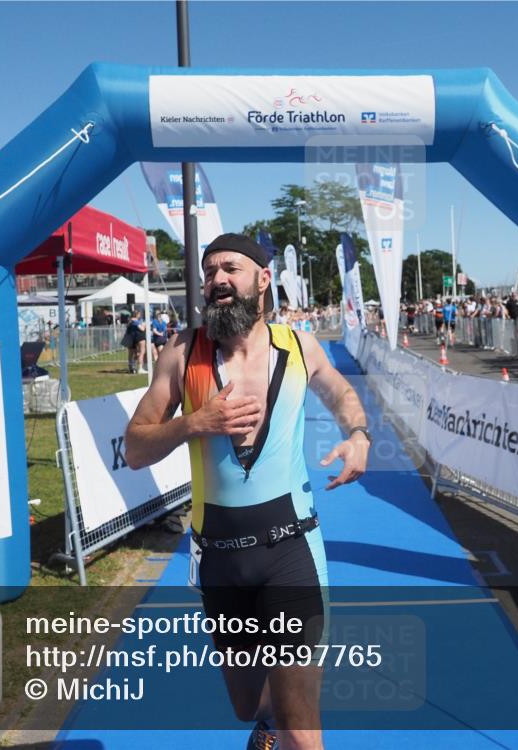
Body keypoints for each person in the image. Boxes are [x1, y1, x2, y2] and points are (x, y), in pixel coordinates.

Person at [125, 233, 370, 750]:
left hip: (292, 550)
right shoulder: (181, 352)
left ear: (262, 280)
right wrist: (196, 423)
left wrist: (358, 435)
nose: (216, 280)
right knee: (247, 706)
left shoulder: (298, 346)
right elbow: (136, 448)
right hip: (219, 559)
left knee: (300, 725)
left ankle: (282, 726)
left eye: (229, 269)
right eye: (209, 271)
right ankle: (267, 722)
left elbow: (341, 392)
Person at [125, 309, 148, 374]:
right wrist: (145, 324)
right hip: (137, 337)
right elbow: (142, 328)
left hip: (131, 338)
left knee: (132, 354)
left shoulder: (130, 321)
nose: (140, 315)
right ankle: (139, 368)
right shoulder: (135, 321)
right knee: (141, 352)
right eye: (139, 314)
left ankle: (132, 367)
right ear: (137, 314)